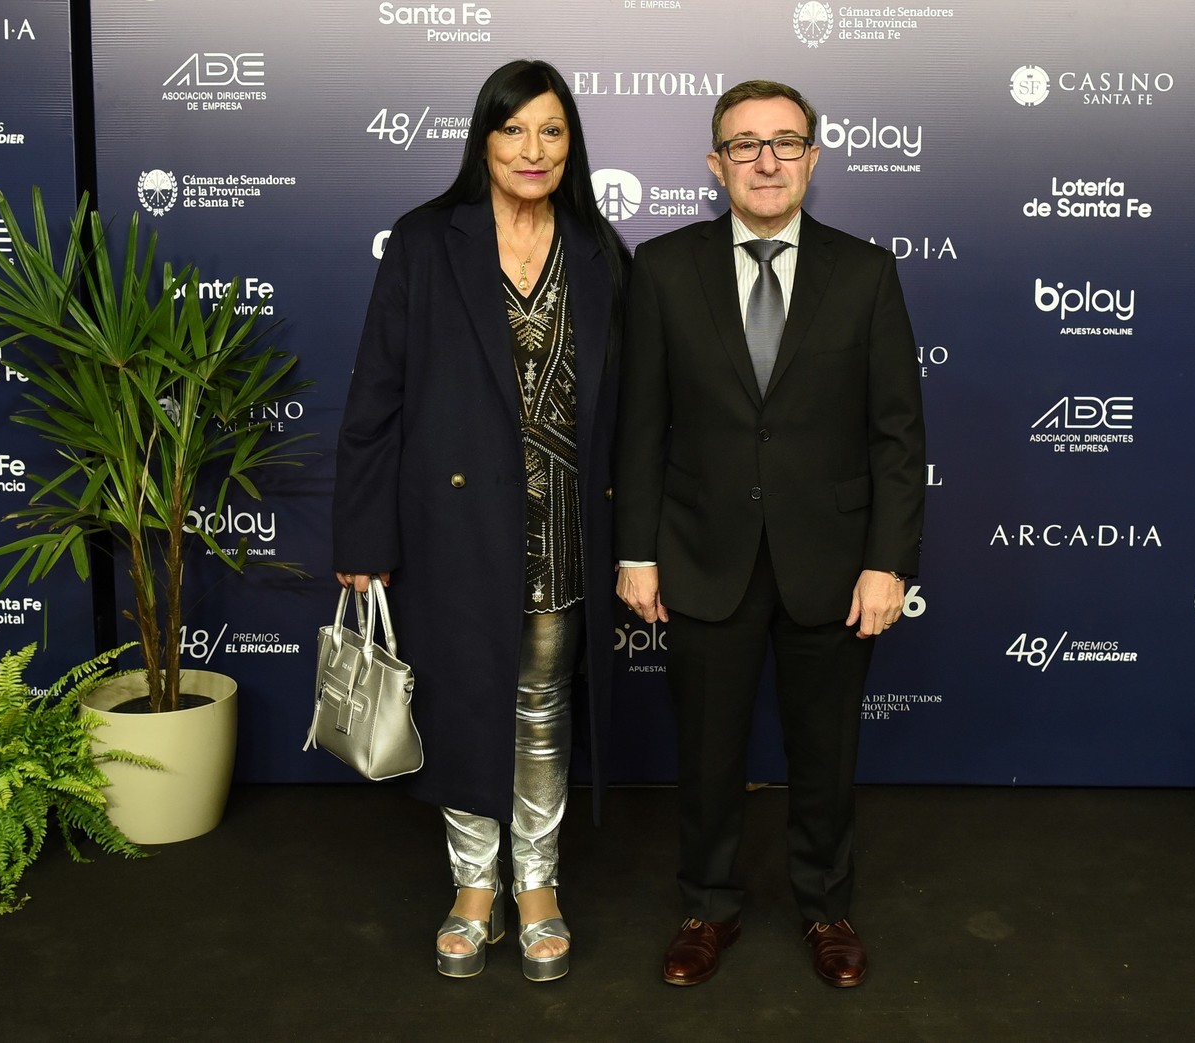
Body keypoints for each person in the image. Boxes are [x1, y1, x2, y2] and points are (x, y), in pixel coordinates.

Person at [614, 79, 926, 988]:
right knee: (707, 755)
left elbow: (897, 436)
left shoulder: (865, 272)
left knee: (825, 754)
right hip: (701, 554)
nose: (765, 161)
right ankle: (707, 907)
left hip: (832, 563)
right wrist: (637, 550)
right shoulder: (662, 268)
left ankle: (826, 907)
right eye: (744, 144)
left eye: (785, 142)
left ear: (812, 158)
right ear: (715, 164)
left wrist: (887, 562)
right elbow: (640, 426)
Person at [333, 58, 628, 982]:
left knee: (541, 707)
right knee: (465, 705)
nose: (532, 149)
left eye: (551, 130)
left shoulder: (599, 249)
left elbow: (629, 409)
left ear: (571, 143)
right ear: (484, 139)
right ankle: (473, 886)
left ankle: (535, 882)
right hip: (454, 529)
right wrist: (364, 536)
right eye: (513, 130)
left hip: (564, 528)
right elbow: (376, 398)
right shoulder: (427, 240)